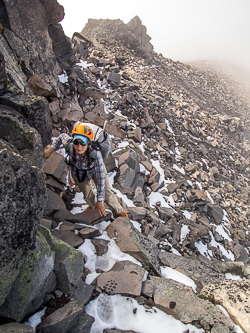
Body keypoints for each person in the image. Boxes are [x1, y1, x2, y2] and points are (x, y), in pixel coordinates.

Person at [44, 122, 128, 218]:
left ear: (88, 143)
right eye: (76, 142)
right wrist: (50, 150)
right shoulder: (70, 145)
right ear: (73, 141)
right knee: (87, 195)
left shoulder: (95, 154)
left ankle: (120, 212)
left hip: (95, 171)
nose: (79, 146)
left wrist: (100, 200)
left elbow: (101, 178)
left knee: (107, 193)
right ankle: (95, 209)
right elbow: (61, 137)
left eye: (83, 143)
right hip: (78, 173)